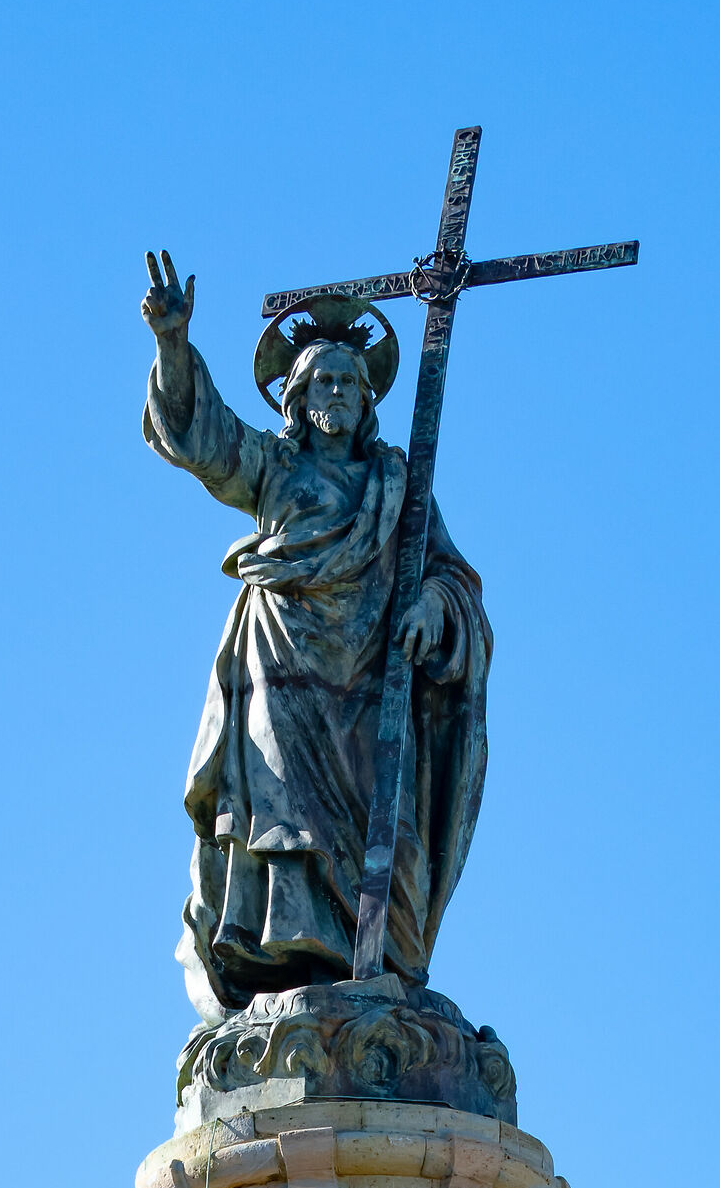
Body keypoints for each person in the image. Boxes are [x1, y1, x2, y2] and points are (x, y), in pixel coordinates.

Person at [141, 251, 492, 1019]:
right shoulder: (274, 468)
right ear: (296, 400)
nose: (335, 393)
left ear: (367, 400)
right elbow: (205, 440)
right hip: (282, 670)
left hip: (371, 678)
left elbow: (453, 578)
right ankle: (291, 961)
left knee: (383, 831)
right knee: (284, 819)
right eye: (320, 382)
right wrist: (173, 346)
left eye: (347, 382)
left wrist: (434, 606)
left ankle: (383, 962)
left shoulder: (401, 487)